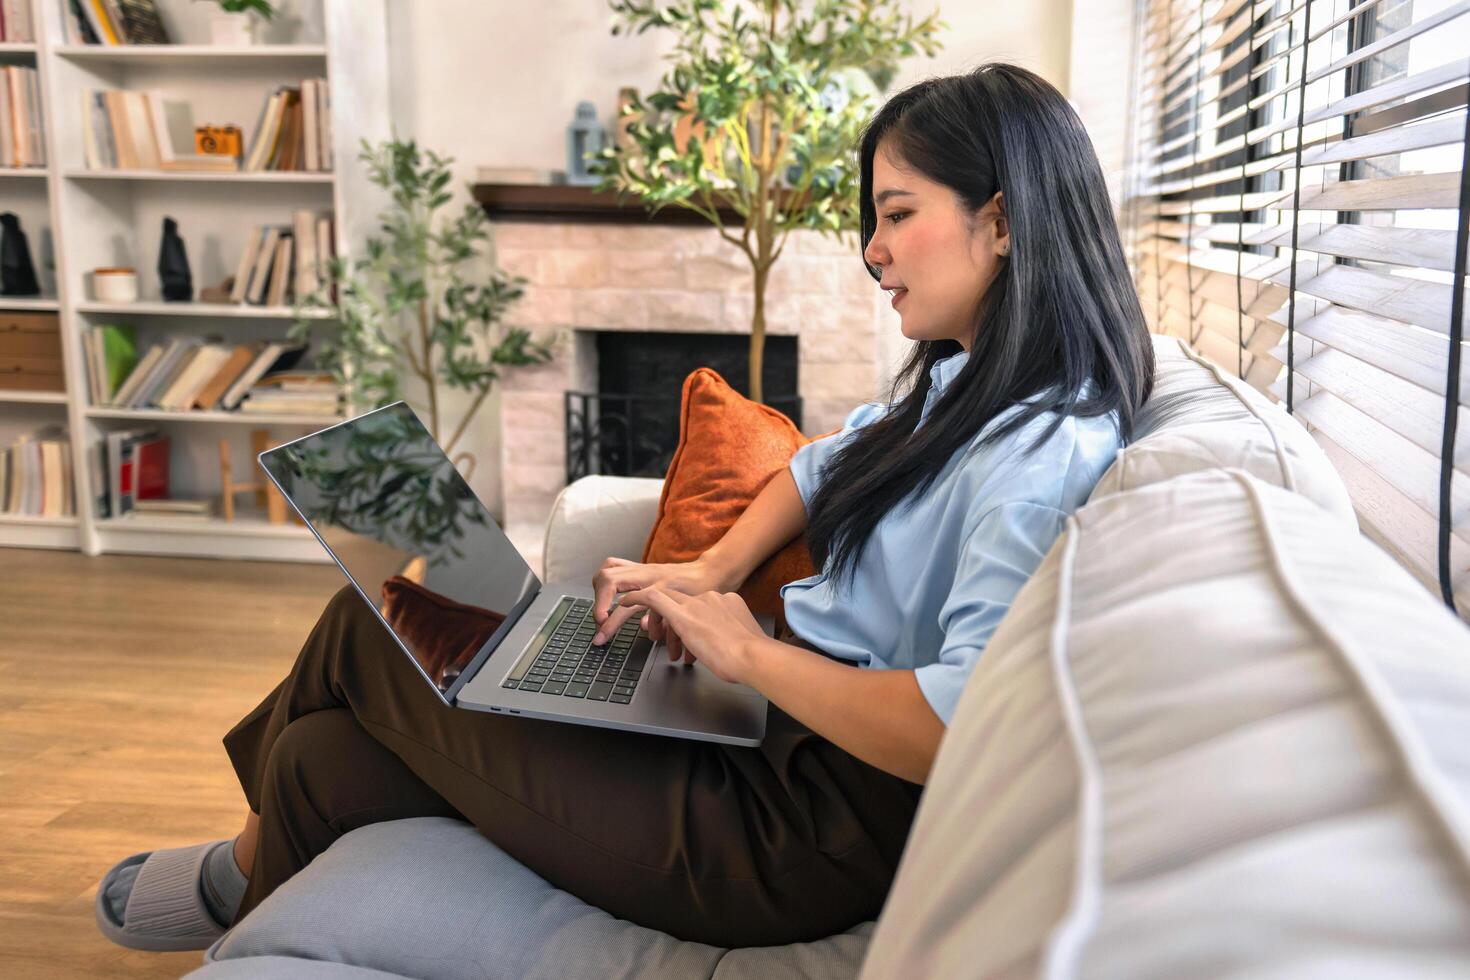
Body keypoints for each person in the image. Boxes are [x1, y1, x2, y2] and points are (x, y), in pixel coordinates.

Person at [95, 63, 1153, 953]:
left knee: (369, 628)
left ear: (1002, 221)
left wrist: (749, 654)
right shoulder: (959, 382)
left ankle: (238, 876)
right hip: (754, 734)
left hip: (798, 832)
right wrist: (707, 574)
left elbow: (952, 724)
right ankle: (255, 882)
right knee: (315, 763)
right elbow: (816, 472)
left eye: (897, 214)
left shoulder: (1042, 444)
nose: (871, 249)